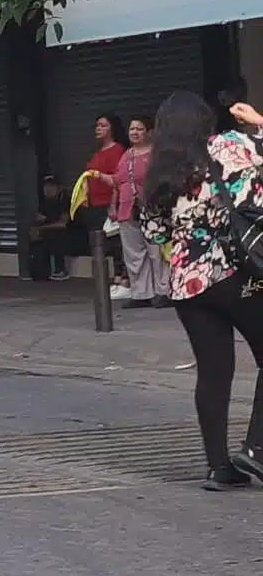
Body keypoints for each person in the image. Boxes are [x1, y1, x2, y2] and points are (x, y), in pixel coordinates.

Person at [138, 92, 263, 491]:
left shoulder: (159, 171)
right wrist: (258, 121)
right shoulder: (228, 146)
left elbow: (155, 233)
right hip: (236, 275)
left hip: (188, 284)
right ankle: (257, 448)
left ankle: (218, 468)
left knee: (213, 372)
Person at [107, 116, 171, 308]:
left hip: (152, 209)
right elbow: (118, 182)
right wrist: (113, 205)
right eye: (132, 129)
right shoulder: (126, 155)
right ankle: (141, 293)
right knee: (134, 254)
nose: (134, 132)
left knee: (157, 251)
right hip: (127, 209)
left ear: (149, 132)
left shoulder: (157, 155)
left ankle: (164, 291)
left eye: (139, 129)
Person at [80, 113, 129, 236]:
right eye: (97, 125)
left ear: (112, 129)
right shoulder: (97, 152)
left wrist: (113, 206)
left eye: (103, 126)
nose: (98, 128)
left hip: (107, 205)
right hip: (94, 206)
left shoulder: (117, 150)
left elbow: (118, 179)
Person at [29, 175, 70, 281]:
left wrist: (42, 227)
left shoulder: (64, 199)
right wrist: (35, 226)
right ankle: (38, 270)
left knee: (56, 234)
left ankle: (61, 270)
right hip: (53, 233)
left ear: (59, 188)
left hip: (74, 235)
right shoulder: (47, 202)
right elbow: (40, 218)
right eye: (46, 187)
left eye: (52, 186)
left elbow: (63, 224)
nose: (48, 189)